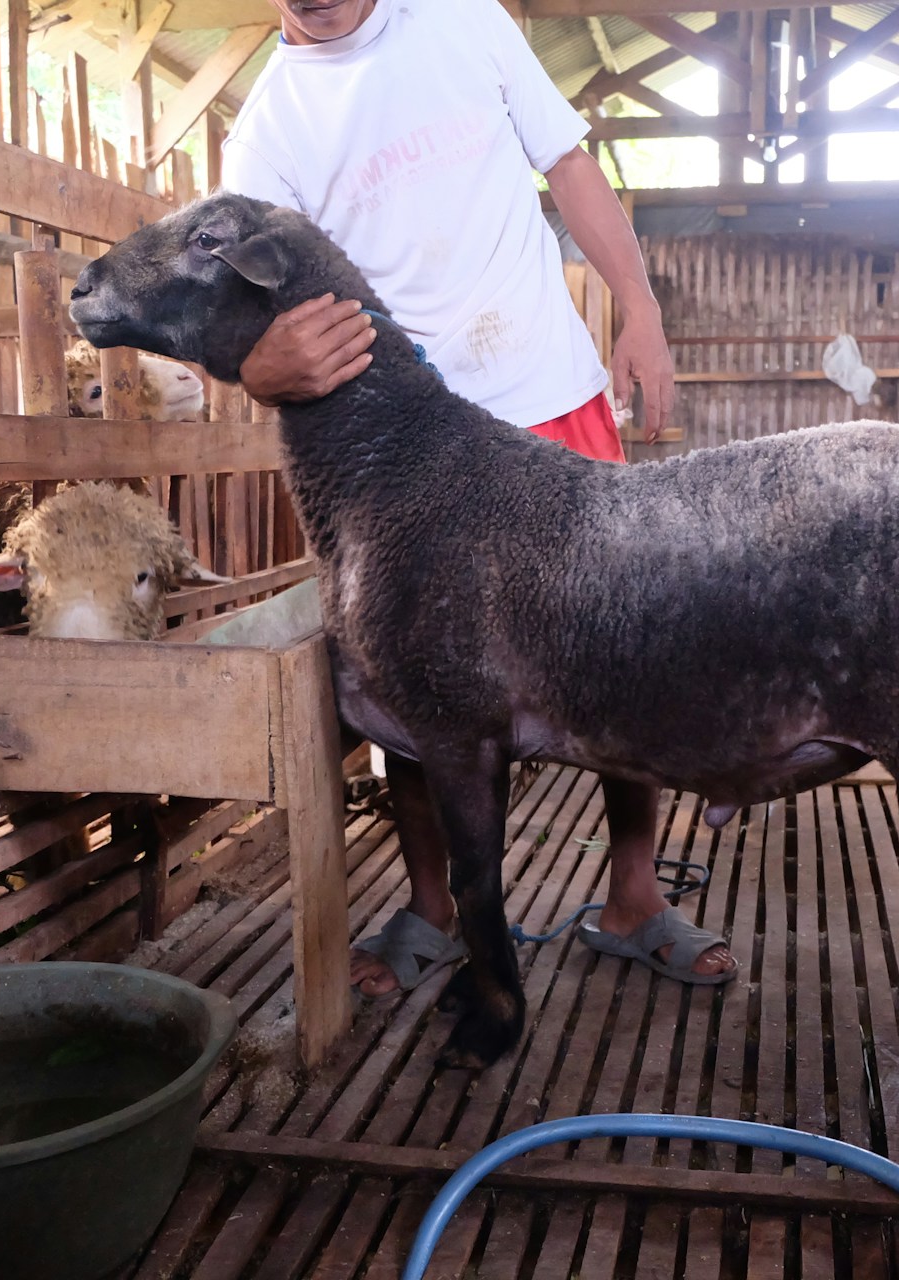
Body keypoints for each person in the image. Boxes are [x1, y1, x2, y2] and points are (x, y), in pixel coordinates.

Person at [222, 0, 737, 997]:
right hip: (405, 435)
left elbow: (570, 164)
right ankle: (436, 904)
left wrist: (640, 308)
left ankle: (636, 894)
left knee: (623, 642)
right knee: (406, 674)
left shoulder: (464, 19)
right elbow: (247, 315)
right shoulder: (265, 132)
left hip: (551, 387)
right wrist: (259, 366)